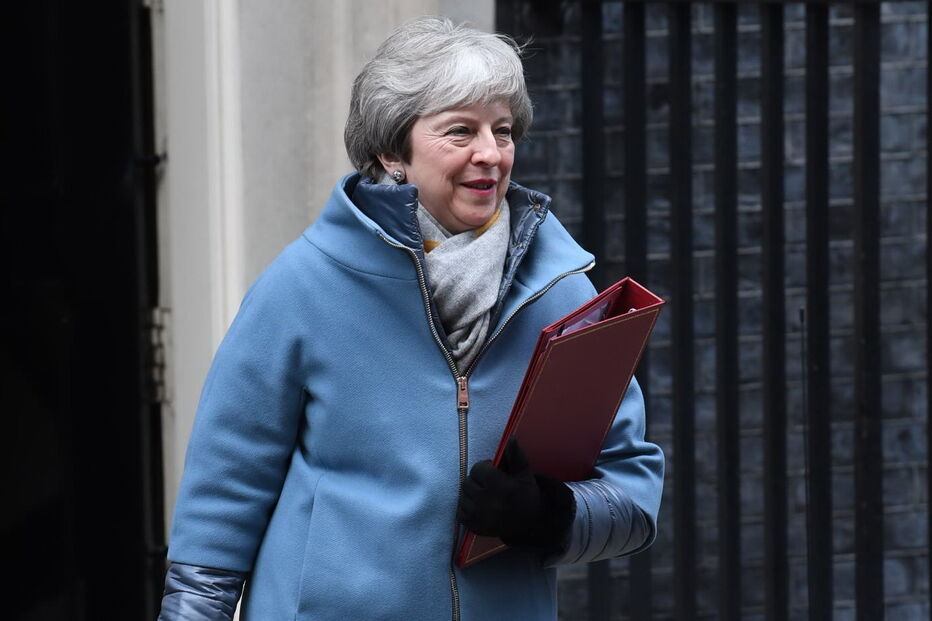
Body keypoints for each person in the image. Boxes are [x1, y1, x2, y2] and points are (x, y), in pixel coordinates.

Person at [158, 16, 663, 621]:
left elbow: (633, 499)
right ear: (392, 151)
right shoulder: (302, 288)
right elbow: (224, 494)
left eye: (502, 130)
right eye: (460, 130)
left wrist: (546, 514)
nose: (490, 153)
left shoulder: (563, 295)